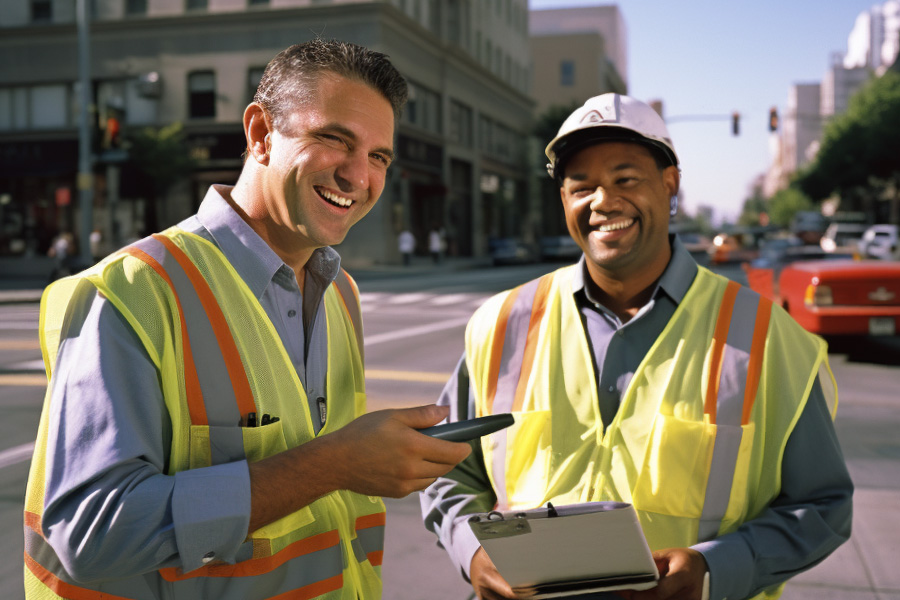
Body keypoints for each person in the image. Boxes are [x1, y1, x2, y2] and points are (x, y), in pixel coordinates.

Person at [24, 39, 471, 600]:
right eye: (335, 138)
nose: (360, 176)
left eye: (379, 157)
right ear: (260, 134)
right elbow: (89, 536)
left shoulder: (341, 294)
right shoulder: (131, 290)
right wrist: (333, 465)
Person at [421, 94, 852, 600]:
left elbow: (822, 504)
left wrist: (718, 569)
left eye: (626, 180)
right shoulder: (500, 324)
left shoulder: (768, 338)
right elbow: (444, 469)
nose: (603, 201)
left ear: (669, 185)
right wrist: (472, 550)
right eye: (582, 186)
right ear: (563, 200)